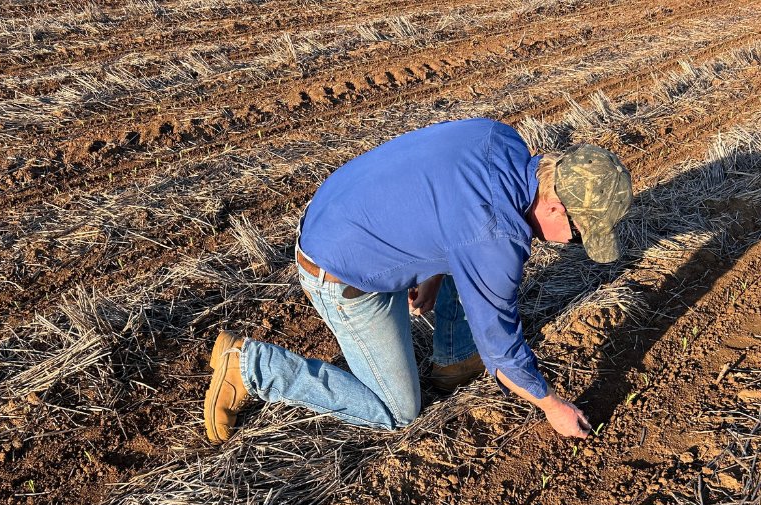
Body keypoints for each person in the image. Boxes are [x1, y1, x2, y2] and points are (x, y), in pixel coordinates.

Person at [203, 118, 632, 444]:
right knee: (397, 412)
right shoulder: (493, 238)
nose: (571, 243)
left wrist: (432, 270)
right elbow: (502, 350)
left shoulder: (500, 138)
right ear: (555, 206)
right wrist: (551, 405)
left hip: (342, 214)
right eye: (580, 233)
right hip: (339, 269)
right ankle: (254, 367)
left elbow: (442, 198)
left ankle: (453, 360)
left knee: (477, 264)